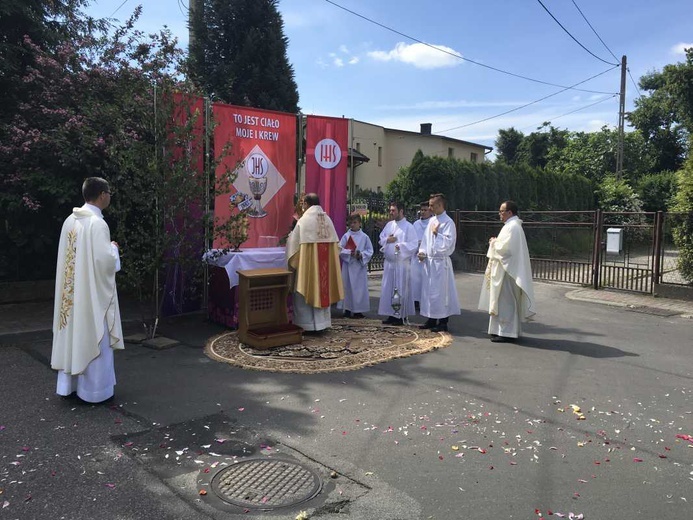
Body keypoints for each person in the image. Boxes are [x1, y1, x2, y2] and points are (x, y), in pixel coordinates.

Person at [51, 177, 123, 403]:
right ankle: (94, 392)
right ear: (102, 194)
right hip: (91, 296)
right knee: (95, 337)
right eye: (109, 192)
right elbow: (105, 263)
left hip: (71, 295)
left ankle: (67, 386)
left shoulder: (70, 220)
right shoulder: (98, 223)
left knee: (72, 334)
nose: (110, 196)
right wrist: (113, 249)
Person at [478, 200, 536, 342]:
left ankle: (507, 332)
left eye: (502, 211)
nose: (500, 214)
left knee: (506, 302)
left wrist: (493, 242)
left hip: (507, 272)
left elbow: (507, 250)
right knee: (501, 301)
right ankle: (499, 330)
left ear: (510, 212)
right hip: (504, 270)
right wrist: (496, 242)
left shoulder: (513, 227)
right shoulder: (510, 226)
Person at [286, 193, 344, 331]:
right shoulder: (327, 219)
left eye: (303, 204)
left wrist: (289, 239)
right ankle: (322, 323)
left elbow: (293, 248)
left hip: (309, 268)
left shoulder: (304, 221)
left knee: (305, 286)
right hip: (324, 269)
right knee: (322, 287)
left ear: (306, 204)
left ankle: (306, 325)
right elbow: (337, 248)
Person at [417, 193, 460, 332]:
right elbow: (425, 240)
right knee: (429, 292)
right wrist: (422, 252)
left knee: (441, 293)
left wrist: (437, 234)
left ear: (440, 205)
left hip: (441, 264)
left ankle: (442, 321)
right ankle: (431, 318)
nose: (429, 208)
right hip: (430, 262)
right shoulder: (431, 221)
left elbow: (449, 243)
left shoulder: (448, 222)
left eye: (431, 205)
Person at [378, 201, 418, 325]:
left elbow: (413, 244)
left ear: (401, 211)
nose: (391, 212)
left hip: (401, 265)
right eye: (390, 210)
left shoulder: (408, 227)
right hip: (389, 263)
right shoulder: (389, 225)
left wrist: (399, 246)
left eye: (393, 210)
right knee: (388, 289)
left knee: (399, 289)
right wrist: (387, 240)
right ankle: (391, 314)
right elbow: (381, 238)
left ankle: (399, 316)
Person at [339, 214, 374, 319]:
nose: (352, 225)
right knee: (347, 288)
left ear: (360, 223)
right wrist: (349, 252)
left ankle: (358, 311)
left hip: (359, 267)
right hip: (348, 266)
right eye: (351, 223)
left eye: (355, 223)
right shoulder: (346, 236)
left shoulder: (364, 237)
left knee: (359, 289)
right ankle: (348, 309)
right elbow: (339, 249)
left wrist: (361, 255)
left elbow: (370, 250)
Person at [411, 201, 432, 312]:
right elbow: (411, 239)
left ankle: (425, 301)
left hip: (427, 257)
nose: (423, 212)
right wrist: (416, 245)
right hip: (416, 256)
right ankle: (415, 301)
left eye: (425, 210)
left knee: (425, 280)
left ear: (430, 211)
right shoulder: (415, 224)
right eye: (422, 210)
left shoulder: (432, 223)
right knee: (416, 280)